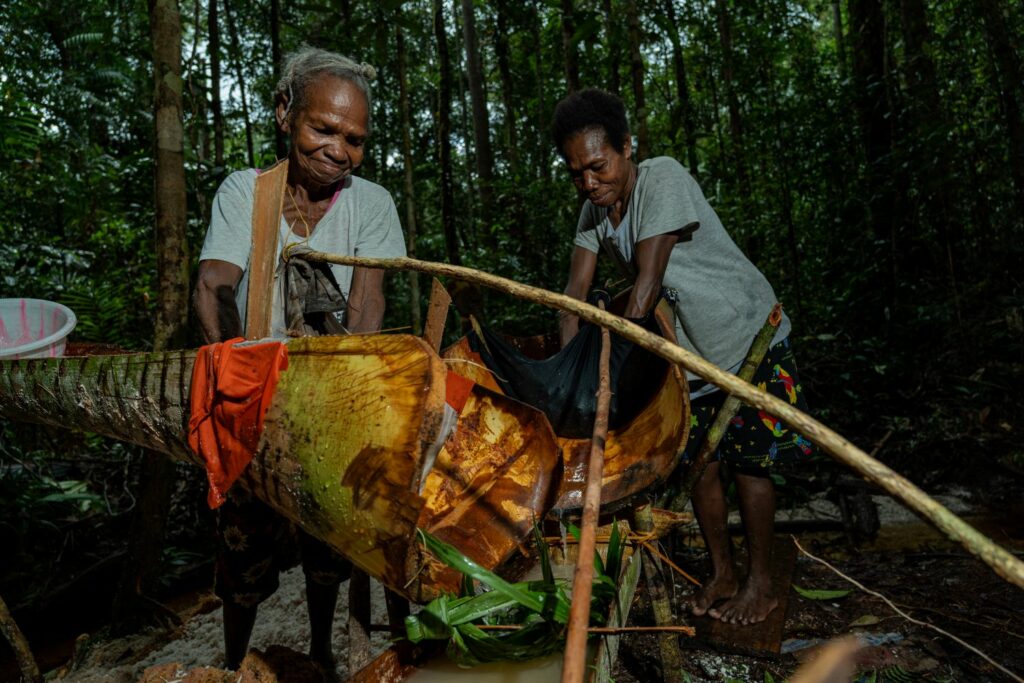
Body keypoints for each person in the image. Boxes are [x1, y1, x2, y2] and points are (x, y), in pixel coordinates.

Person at [552, 88, 811, 626]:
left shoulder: (661, 177)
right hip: (688, 356)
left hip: (743, 338)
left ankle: (760, 584)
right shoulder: (592, 210)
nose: (588, 182)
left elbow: (644, 290)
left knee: (750, 464)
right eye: (576, 172)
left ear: (627, 147)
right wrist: (566, 380)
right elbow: (571, 299)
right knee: (700, 466)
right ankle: (724, 573)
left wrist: (611, 374)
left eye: (598, 166)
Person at [193, 47, 406, 670]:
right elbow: (213, 285)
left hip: (332, 403)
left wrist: (344, 404)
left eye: (355, 139)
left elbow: (367, 307)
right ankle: (235, 664)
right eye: (324, 128)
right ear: (285, 113)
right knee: (243, 549)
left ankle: (318, 657)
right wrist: (240, 385)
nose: (338, 150)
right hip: (255, 402)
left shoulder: (371, 206)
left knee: (327, 547)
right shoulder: (247, 193)